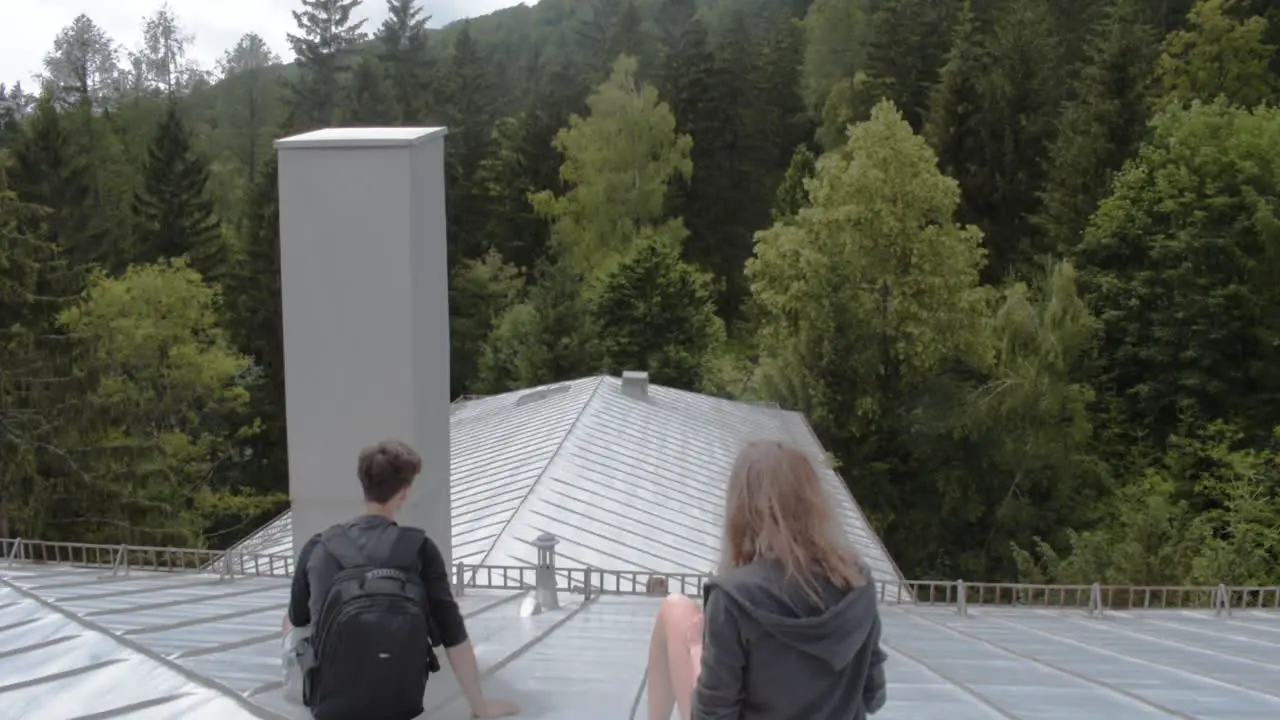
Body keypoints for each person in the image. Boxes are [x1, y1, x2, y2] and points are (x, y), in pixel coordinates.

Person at [645, 440, 888, 720]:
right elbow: (873, 696)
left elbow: (713, 716)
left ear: (742, 507)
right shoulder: (858, 582)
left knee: (676, 609)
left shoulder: (734, 598)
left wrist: (696, 648)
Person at [284, 439, 519, 720]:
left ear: (363, 484)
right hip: (402, 702)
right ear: (404, 492)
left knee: (294, 624)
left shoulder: (319, 546)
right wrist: (480, 707)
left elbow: (298, 622)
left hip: (332, 706)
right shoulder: (420, 548)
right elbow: (453, 633)